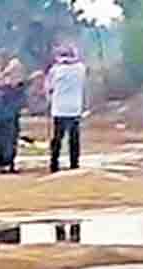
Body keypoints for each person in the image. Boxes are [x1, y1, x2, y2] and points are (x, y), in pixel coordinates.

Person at [45, 43, 87, 173]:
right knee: (74, 138)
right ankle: (74, 163)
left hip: (58, 108)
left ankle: (54, 163)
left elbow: (48, 88)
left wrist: (49, 101)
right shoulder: (81, 68)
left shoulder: (54, 70)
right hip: (75, 108)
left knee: (57, 137)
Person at [0, 58, 27, 173]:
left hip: (7, 117)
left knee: (7, 140)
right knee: (3, 141)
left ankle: (6, 162)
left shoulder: (12, 88)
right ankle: (2, 162)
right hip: (3, 118)